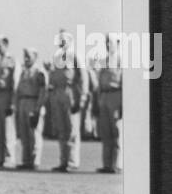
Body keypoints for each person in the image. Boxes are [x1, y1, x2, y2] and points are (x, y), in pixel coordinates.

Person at [47, 28, 85, 171]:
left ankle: (72, 162)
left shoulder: (75, 56)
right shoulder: (56, 57)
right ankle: (63, 161)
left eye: (64, 40)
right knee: (61, 129)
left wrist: (82, 98)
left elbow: (83, 77)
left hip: (70, 93)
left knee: (72, 129)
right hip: (58, 93)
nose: (61, 42)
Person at [14, 47, 47, 169]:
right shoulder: (24, 72)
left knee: (34, 134)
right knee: (24, 134)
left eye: (29, 56)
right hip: (23, 102)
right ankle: (26, 160)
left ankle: (35, 161)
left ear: (35, 57)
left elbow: (43, 91)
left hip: (33, 102)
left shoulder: (39, 72)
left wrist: (38, 109)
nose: (26, 59)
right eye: (25, 56)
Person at [94, 35, 123, 173]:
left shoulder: (121, 60)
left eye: (110, 42)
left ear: (117, 44)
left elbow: (126, 83)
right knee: (106, 133)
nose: (107, 45)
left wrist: (123, 104)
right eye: (106, 42)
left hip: (116, 95)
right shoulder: (104, 61)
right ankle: (107, 164)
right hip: (104, 95)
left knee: (116, 132)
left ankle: (116, 164)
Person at [0, 35, 17, 168]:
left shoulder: (11, 60)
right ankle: (1, 158)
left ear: (6, 45)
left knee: (8, 130)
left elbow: (14, 83)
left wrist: (12, 102)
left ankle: (9, 158)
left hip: (7, 95)